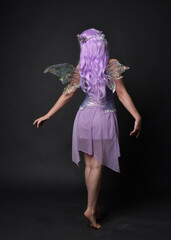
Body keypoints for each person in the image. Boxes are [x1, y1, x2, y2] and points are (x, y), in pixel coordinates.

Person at [33, 28, 142, 229]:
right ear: (102, 45)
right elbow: (122, 94)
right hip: (102, 117)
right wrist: (137, 116)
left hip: (83, 116)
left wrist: (48, 115)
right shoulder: (112, 65)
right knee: (97, 166)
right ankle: (90, 209)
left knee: (90, 166)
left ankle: (93, 206)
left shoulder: (81, 67)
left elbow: (67, 94)